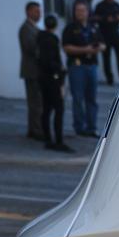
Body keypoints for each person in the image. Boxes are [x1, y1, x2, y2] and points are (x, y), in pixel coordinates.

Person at [62, 0, 104, 137]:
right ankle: (80, 127)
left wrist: (98, 48)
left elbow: (103, 45)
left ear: (87, 12)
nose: (80, 13)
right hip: (77, 67)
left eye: (82, 10)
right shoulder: (70, 28)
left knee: (91, 99)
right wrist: (84, 49)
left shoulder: (93, 27)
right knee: (78, 98)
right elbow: (66, 47)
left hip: (91, 66)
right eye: (77, 10)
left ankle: (92, 127)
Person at [36, 15, 72, 152]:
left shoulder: (40, 37)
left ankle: (48, 139)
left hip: (44, 78)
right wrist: (60, 72)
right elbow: (51, 61)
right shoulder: (51, 39)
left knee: (46, 109)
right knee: (58, 109)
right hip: (53, 79)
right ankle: (58, 140)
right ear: (55, 25)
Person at [18, 1, 43, 141]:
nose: (39, 14)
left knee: (38, 102)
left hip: (36, 71)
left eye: (39, 11)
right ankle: (35, 130)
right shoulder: (25, 29)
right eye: (36, 11)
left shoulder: (34, 27)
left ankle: (35, 129)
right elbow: (31, 48)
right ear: (28, 12)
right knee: (35, 102)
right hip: (31, 71)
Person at [93, 0, 119, 85]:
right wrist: (105, 19)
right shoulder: (100, 6)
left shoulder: (116, 5)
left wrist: (117, 18)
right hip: (104, 34)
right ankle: (109, 79)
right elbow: (94, 18)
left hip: (115, 33)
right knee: (106, 58)